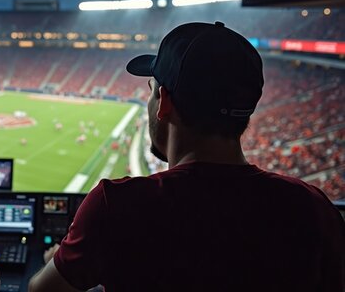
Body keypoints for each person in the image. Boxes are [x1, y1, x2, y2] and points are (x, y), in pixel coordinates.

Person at [29, 22, 345, 292]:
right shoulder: (311, 206)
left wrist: (51, 263)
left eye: (151, 90)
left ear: (163, 101)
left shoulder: (117, 204)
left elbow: (41, 291)